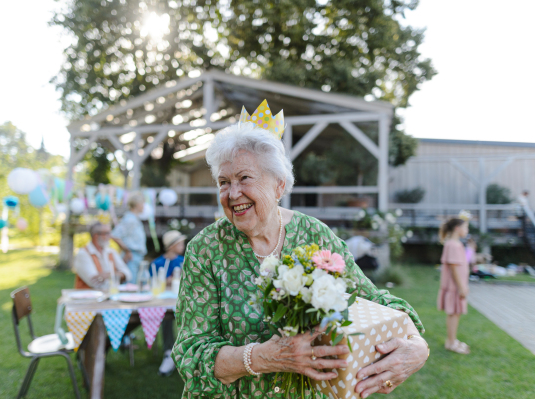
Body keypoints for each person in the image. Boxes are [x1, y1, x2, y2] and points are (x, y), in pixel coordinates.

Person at [172, 103, 429, 399]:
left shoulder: (314, 235)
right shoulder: (205, 250)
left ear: (279, 186)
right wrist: (264, 357)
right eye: (223, 182)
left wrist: (417, 345)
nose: (232, 194)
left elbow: (372, 300)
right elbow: (191, 353)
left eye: (244, 178)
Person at [149, 230, 186, 377]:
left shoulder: (185, 261)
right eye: (180, 243)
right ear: (172, 246)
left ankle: (187, 349)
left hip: (182, 299)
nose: (183, 246)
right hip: (163, 300)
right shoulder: (157, 263)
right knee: (165, 315)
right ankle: (168, 351)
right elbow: (154, 284)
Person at [437, 217, 470, 354]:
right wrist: (461, 287)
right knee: (453, 313)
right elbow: (454, 268)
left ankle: (453, 340)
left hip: (457, 286)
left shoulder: (455, 244)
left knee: (456, 313)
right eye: (466, 227)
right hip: (454, 287)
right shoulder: (453, 245)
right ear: (457, 228)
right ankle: (451, 342)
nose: (467, 230)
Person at [74, 222, 132, 290]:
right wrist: (117, 276)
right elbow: (95, 283)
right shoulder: (83, 254)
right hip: (87, 297)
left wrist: (108, 275)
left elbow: (128, 275)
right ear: (96, 235)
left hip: (109, 295)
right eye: (107, 233)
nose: (110, 236)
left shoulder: (111, 252)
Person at [112, 192, 148, 284]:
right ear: (137, 204)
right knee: (130, 287)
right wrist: (127, 250)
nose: (144, 206)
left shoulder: (135, 219)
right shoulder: (130, 219)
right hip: (132, 257)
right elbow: (115, 235)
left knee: (139, 285)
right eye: (143, 203)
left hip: (137, 257)